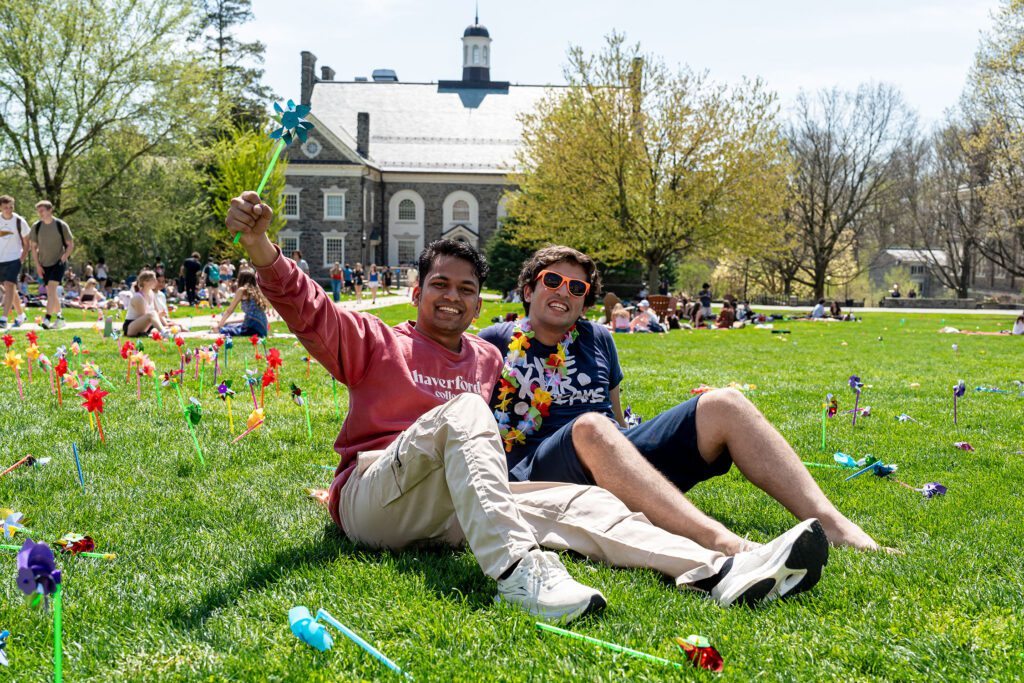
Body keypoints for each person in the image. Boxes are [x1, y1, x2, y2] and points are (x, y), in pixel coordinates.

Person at [226, 191, 830, 620]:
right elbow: (308, 307)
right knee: (465, 413)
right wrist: (261, 247)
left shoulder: (486, 361)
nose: (453, 298)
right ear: (415, 293)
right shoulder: (376, 341)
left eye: (466, 290)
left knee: (585, 499)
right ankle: (521, 574)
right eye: (439, 285)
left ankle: (720, 570)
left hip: (450, 510)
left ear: (477, 303)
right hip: (376, 495)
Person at [479, 245, 881, 553]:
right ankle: (726, 545)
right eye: (553, 281)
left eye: (577, 287)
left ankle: (835, 526)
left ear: (586, 299)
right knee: (591, 426)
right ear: (529, 289)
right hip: (541, 475)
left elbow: (616, 416)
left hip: (615, 459)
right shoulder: (493, 343)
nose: (564, 291)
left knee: (725, 402)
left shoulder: (598, 338)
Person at [29, 200, 74, 329]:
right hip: (44, 263)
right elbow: (33, 247)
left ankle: (47, 319)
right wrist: (37, 265)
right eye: (39, 211)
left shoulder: (61, 225)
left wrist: (64, 257)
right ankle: (60, 318)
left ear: (50, 210)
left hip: (58, 262)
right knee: (51, 292)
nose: (40, 214)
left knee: (52, 289)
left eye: (42, 211)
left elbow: (70, 244)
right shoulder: (36, 227)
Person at [0, 195, 30, 328]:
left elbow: (27, 242)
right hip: (1, 259)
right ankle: (20, 315)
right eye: (5, 207)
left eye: (11, 207)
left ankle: (4, 318)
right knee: (10, 288)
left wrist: (22, 258)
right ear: (0, 207)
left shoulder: (19, 221)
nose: (8, 210)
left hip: (14, 259)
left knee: (9, 284)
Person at [214, 270, 269, 337]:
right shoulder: (257, 291)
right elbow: (250, 317)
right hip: (262, 329)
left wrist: (219, 326)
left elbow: (229, 311)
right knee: (229, 325)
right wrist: (226, 322)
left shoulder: (242, 290)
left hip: (252, 329)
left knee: (222, 329)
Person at [123, 270, 166, 337]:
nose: (156, 282)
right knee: (153, 314)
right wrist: (158, 315)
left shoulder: (151, 293)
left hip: (144, 326)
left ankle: (164, 332)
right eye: (153, 280)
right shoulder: (138, 297)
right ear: (145, 282)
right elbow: (145, 317)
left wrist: (161, 317)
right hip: (131, 327)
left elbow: (153, 315)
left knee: (175, 327)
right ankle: (164, 333)